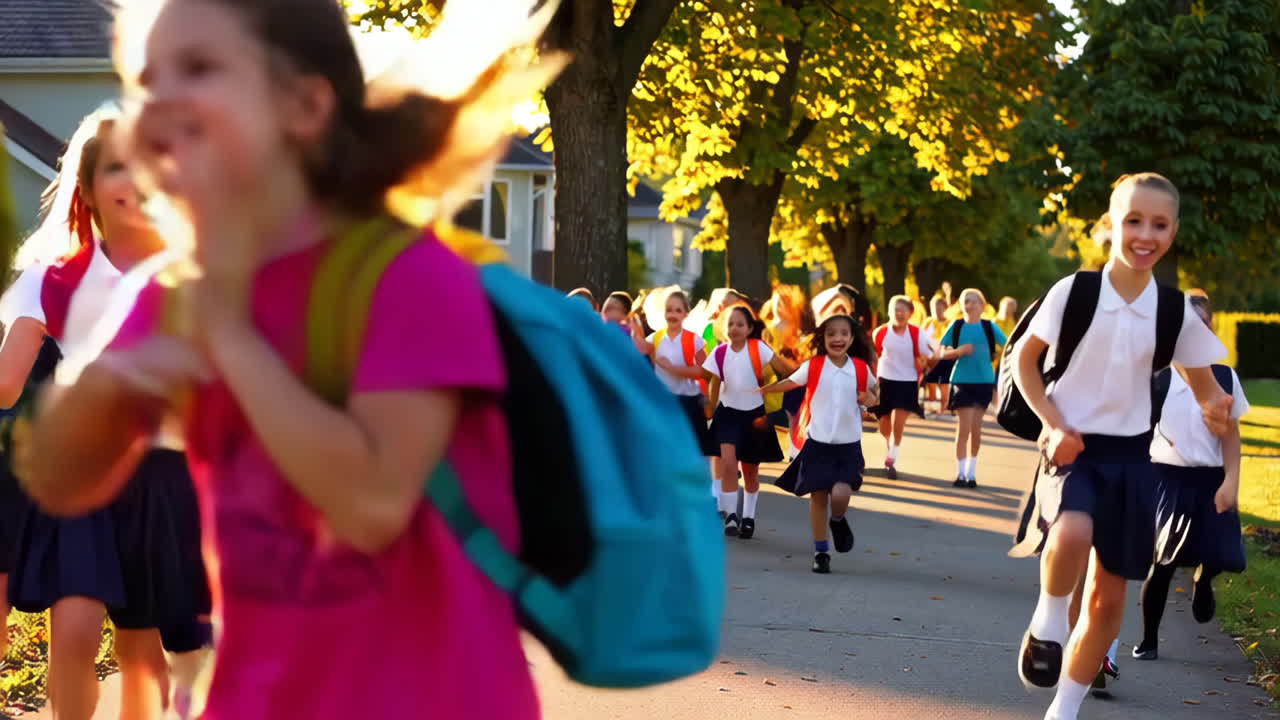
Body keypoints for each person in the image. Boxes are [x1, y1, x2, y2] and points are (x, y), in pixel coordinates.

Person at [25, 0, 563, 717]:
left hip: (433, 698)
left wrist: (233, 340)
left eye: (200, 69)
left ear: (305, 106)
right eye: (147, 81)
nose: (157, 105)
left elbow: (371, 504)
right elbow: (58, 479)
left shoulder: (408, 275)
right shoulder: (177, 287)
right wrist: (113, 381)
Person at [0, 105, 210, 720]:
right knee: (75, 626)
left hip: (159, 481)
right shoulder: (48, 281)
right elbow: (7, 387)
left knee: (141, 644)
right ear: (87, 187)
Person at [1011, 173, 1232, 720]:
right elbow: (1025, 362)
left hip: (1134, 459)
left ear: (1173, 232)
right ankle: (1046, 620)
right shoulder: (1075, 291)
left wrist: (1214, 407)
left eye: (1159, 224)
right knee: (1072, 531)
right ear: (1110, 224)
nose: (1145, 234)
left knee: (1108, 604)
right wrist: (1053, 423)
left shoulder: (1174, 310)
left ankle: (1064, 709)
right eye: (1133, 220)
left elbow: (1207, 387)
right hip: (1072, 445)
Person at [1134, 291, 1249, 661]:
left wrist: (1231, 481)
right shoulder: (1160, 379)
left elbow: (1232, 436)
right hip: (1167, 479)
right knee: (1163, 563)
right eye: (1189, 327)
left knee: (1221, 554)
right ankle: (1149, 639)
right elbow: (1137, 433)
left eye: (1204, 326)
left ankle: (1204, 580)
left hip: (1212, 478)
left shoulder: (1225, 378)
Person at [758, 315, 878, 574]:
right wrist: (765, 390)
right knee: (819, 497)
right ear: (823, 339)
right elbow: (789, 382)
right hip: (818, 443)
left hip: (848, 445)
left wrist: (870, 398)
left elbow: (875, 395)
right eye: (831, 334)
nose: (838, 338)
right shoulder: (813, 366)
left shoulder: (859, 368)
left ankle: (838, 520)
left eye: (843, 333)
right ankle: (821, 551)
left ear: (852, 338)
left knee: (841, 493)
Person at [702, 304, 793, 539]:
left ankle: (749, 516)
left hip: (754, 416)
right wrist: (710, 408)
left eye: (740, 324)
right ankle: (731, 516)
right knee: (728, 463)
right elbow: (713, 381)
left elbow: (783, 369)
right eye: (730, 324)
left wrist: (779, 383)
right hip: (728, 414)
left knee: (750, 471)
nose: (734, 328)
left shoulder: (759, 348)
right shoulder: (719, 353)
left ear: (750, 328)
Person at [632, 290, 717, 459]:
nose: (673, 314)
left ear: (686, 314)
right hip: (665, 402)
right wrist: (632, 325)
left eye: (678, 310)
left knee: (693, 452)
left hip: (689, 403)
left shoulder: (694, 340)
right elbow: (637, 349)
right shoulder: (655, 338)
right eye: (669, 310)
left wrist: (673, 369)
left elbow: (706, 372)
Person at [938, 288, 1007, 488]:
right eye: (966, 301)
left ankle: (971, 473)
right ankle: (960, 474)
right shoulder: (957, 326)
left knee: (976, 429)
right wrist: (959, 351)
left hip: (984, 381)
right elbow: (941, 351)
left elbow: (1009, 345)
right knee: (964, 428)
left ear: (982, 306)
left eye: (974, 301)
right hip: (961, 380)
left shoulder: (989, 327)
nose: (969, 304)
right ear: (961, 305)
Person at [870, 295, 933, 479]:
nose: (899, 313)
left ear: (910, 313)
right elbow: (875, 355)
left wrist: (926, 361)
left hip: (907, 381)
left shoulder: (916, 333)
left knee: (899, 421)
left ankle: (892, 457)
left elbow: (928, 354)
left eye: (904, 310)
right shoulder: (881, 332)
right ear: (890, 311)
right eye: (896, 309)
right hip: (885, 380)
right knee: (884, 423)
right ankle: (890, 445)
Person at [921, 296, 954, 416]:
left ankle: (945, 404)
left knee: (945, 380)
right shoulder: (928, 321)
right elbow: (922, 337)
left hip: (946, 355)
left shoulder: (950, 322)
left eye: (939, 307)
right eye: (934, 307)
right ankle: (933, 403)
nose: (937, 310)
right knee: (931, 379)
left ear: (945, 308)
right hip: (931, 356)